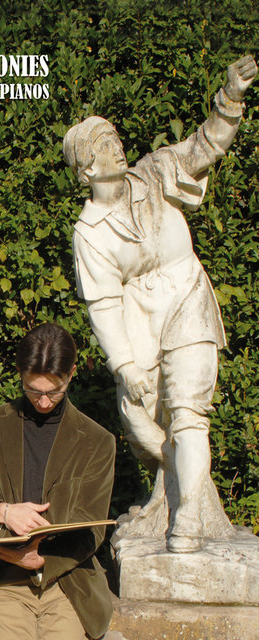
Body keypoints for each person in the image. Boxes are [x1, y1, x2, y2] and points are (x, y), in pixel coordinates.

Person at [63, 55, 257, 552]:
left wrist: (230, 99)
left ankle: (188, 516)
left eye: (114, 137)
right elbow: (103, 304)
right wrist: (125, 364)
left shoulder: (154, 172)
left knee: (189, 410)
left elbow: (205, 146)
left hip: (187, 293)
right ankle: (174, 492)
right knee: (139, 416)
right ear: (87, 168)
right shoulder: (90, 233)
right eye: (104, 144)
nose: (117, 145)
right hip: (139, 315)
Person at [0, 323, 115, 640]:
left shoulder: (97, 441)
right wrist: (1, 512)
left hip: (68, 581)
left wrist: (40, 561)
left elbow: (93, 529)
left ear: (71, 374)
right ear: (19, 373)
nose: (43, 401)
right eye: (33, 389)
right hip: (0, 578)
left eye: (54, 391)